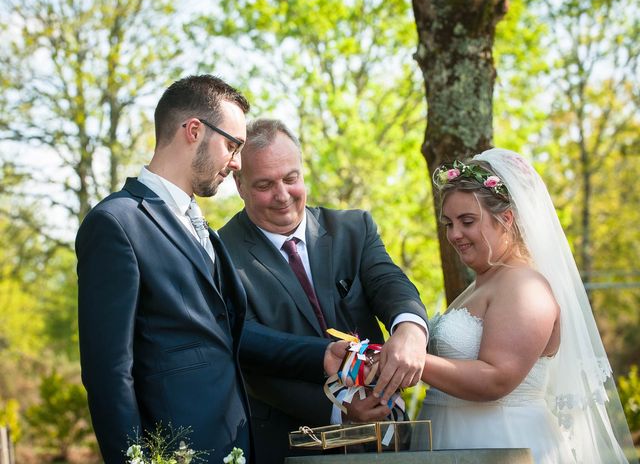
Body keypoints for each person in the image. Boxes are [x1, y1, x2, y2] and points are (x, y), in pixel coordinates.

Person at [76, 76, 347, 464]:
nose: (236, 162)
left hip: (236, 446)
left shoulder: (202, 229)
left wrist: (321, 355)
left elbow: (226, 337)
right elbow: (108, 374)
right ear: (194, 130)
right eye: (232, 145)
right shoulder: (117, 223)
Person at [218, 118, 429, 464]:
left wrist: (410, 329)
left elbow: (391, 284)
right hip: (288, 444)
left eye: (291, 178)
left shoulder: (354, 229)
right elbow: (245, 350)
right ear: (239, 184)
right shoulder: (219, 254)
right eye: (264, 185)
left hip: (383, 442)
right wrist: (340, 409)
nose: (282, 195)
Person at [412, 148, 637, 463]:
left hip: (501, 442)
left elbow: (497, 378)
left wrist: (409, 360)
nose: (455, 234)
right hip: (456, 438)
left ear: (505, 220)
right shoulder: (484, 283)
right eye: (449, 223)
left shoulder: (526, 286)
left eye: (467, 221)